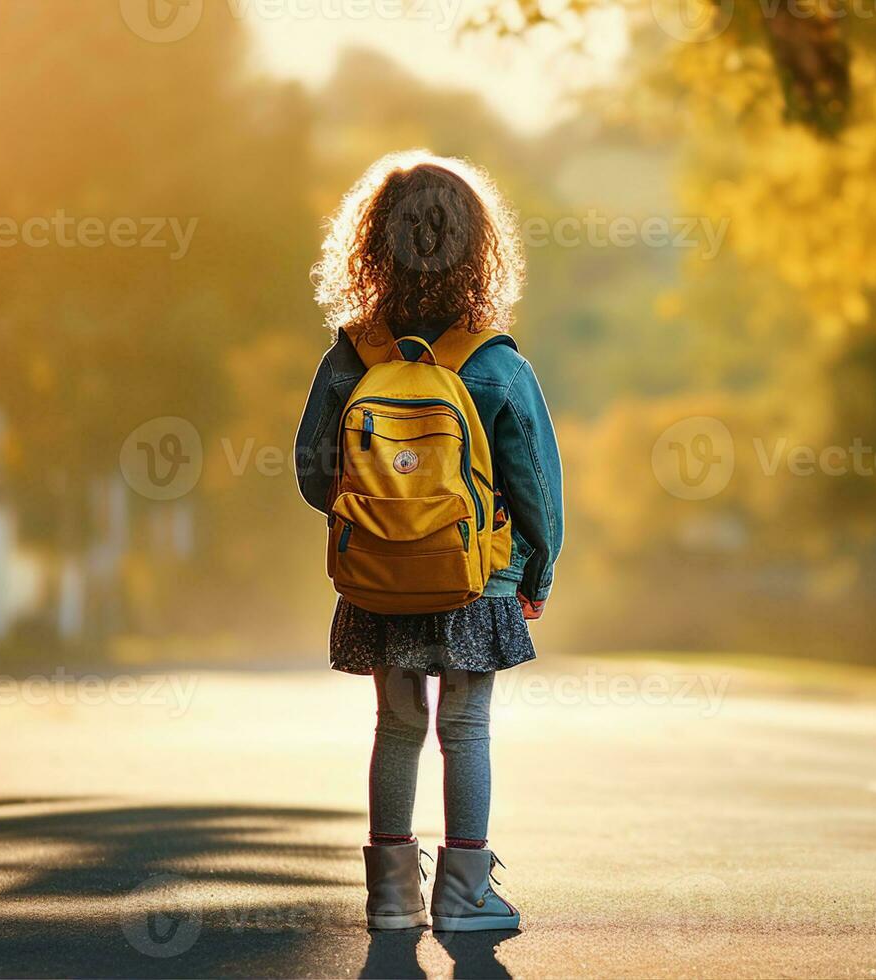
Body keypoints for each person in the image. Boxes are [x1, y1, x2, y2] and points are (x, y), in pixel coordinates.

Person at [294, 150, 564, 933]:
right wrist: (536, 570)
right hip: (477, 579)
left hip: (379, 578)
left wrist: (379, 528)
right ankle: (464, 894)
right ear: (477, 248)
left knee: (398, 727)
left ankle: (387, 894)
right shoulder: (494, 362)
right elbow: (538, 488)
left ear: (372, 244)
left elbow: (314, 472)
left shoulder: (351, 354)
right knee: (465, 728)